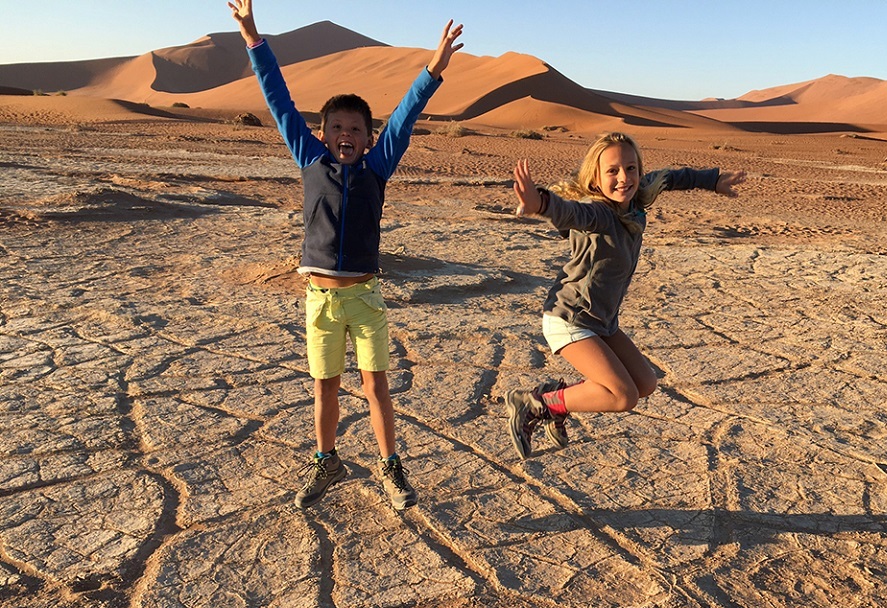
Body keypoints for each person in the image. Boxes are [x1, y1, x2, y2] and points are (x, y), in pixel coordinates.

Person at [227, 0, 464, 508]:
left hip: (364, 298)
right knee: (325, 390)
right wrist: (253, 38)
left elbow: (405, 116)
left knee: (377, 388)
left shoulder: (377, 169)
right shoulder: (310, 159)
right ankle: (326, 461)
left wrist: (433, 69)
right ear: (322, 133)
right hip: (319, 300)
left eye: (356, 129)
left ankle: (390, 467)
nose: (346, 136)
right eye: (337, 127)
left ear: (369, 138)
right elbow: (278, 101)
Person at [506, 132, 746, 459]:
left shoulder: (634, 204)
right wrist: (541, 204)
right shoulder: (599, 213)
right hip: (570, 318)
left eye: (631, 168)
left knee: (645, 384)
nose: (624, 178)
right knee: (622, 396)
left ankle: (557, 397)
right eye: (612, 171)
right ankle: (537, 404)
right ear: (594, 178)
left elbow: (671, 177)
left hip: (602, 321)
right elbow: (571, 213)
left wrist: (712, 180)